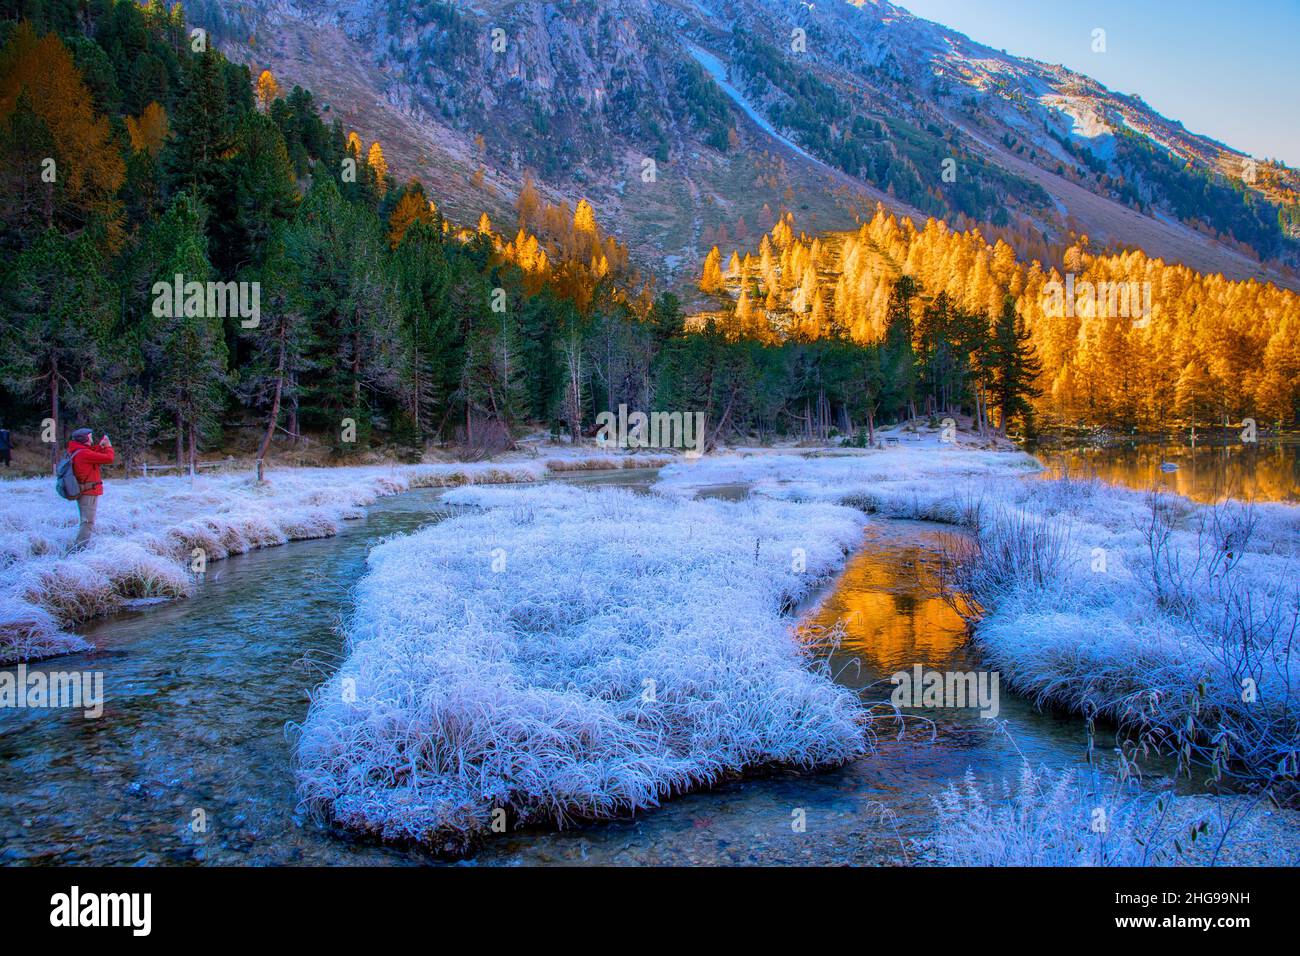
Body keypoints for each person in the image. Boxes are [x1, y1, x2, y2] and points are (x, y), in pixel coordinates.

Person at [67, 427, 114, 550]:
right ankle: (79, 549)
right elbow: (109, 458)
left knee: (86, 520)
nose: (92, 439)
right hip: (88, 492)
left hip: (85, 491)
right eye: (90, 437)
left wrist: (101, 445)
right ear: (85, 439)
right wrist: (108, 446)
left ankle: (80, 546)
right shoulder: (84, 453)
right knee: (88, 522)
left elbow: (92, 452)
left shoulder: (79, 451)